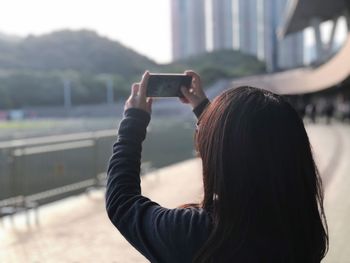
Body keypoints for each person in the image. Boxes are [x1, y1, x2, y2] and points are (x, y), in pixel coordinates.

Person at [105, 70, 328, 263]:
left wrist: (134, 120)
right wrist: (204, 109)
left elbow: (122, 203)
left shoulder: (196, 234)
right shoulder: (304, 229)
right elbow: (251, 147)